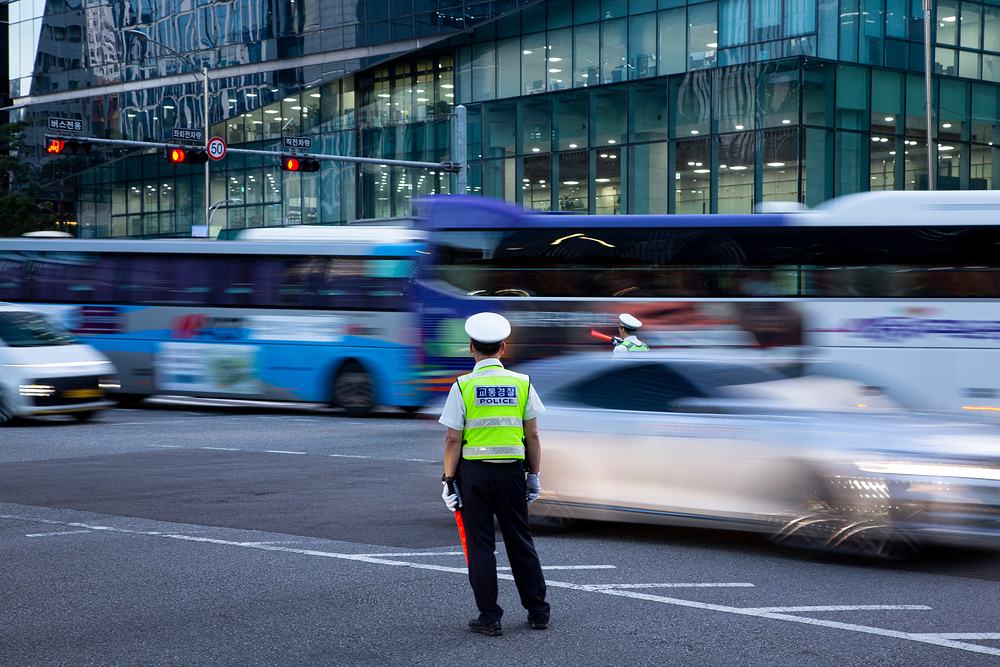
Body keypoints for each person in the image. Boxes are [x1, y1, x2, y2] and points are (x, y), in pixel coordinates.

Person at [439, 312, 550, 636]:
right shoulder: (522, 383)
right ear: (503, 348)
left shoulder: (463, 385)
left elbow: (452, 439)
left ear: (471, 348)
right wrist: (534, 475)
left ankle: (490, 617)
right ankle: (538, 612)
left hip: (473, 475)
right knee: (520, 540)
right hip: (513, 473)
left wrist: (448, 481)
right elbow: (533, 436)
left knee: (481, 545)